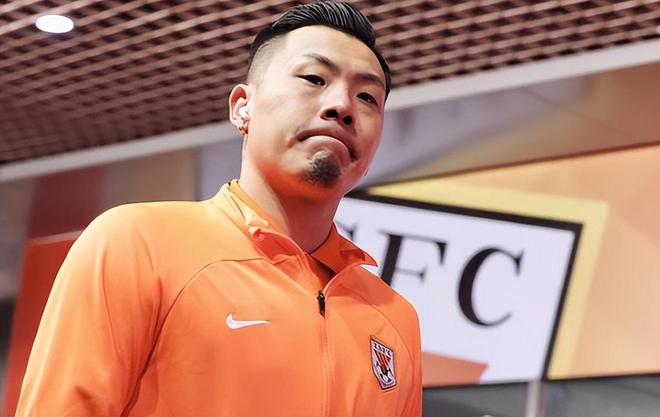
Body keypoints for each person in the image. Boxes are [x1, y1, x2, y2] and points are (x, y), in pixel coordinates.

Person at [15, 2, 422, 416]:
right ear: (242, 107)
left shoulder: (394, 317)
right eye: (313, 78)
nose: (342, 106)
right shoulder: (138, 242)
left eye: (367, 97)